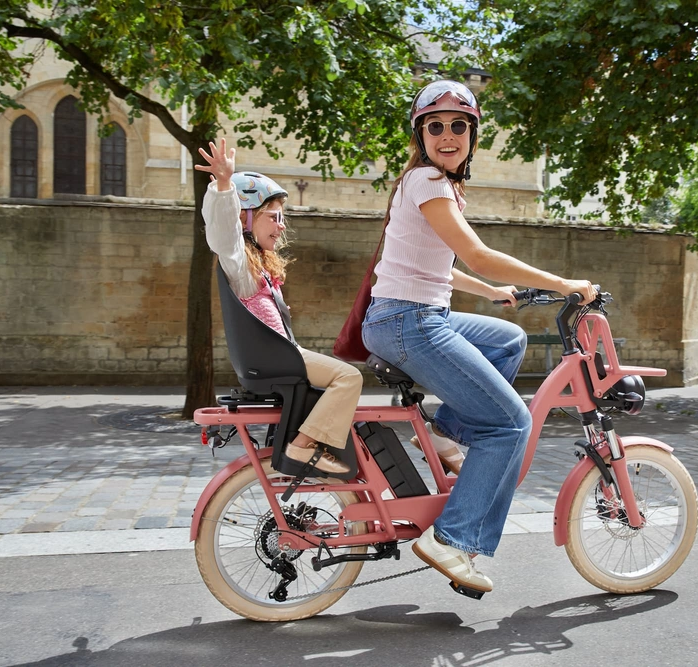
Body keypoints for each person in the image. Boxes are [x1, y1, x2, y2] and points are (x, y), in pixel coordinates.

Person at [361, 80, 597, 593]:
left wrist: (491, 293)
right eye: (435, 126)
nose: (447, 135)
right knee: (511, 425)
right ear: (421, 136)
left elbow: (431, 264)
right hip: (409, 323)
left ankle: (446, 432)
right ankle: (451, 539)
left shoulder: (434, 186)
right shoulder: (429, 181)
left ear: (472, 135)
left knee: (507, 340)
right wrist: (562, 283)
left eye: (458, 126)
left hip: (411, 316)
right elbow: (476, 255)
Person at [197, 138, 362, 476]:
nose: (281, 225)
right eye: (273, 217)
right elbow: (223, 234)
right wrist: (225, 187)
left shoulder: (259, 269)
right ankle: (304, 445)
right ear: (245, 219)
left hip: (278, 355)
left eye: (281, 218)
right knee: (348, 376)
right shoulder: (239, 266)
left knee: (339, 376)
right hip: (275, 360)